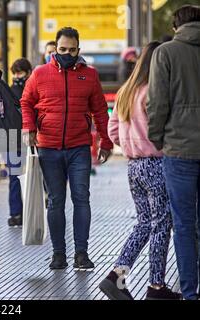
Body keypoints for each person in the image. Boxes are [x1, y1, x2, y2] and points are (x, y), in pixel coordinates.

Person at [21, 27, 113, 270]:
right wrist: (29, 127)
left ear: (78, 50)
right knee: (56, 201)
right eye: (62, 49)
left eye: (72, 50)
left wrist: (106, 140)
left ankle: (81, 253)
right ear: (55, 49)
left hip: (79, 147)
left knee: (82, 198)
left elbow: (101, 110)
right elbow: (26, 102)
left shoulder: (90, 75)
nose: (67, 53)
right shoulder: (40, 74)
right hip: (48, 148)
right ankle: (58, 254)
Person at [99, 42, 182, 300]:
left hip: (134, 165)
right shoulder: (153, 92)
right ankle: (156, 286)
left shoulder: (126, 90)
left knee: (145, 223)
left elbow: (113, 131)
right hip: (155, 164)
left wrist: (132, 143)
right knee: (161, 225)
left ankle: (116, 276)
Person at [147, 5, 200, 300]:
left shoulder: (165, 53)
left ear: (176, 25)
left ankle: (190, 293)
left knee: (183, 225)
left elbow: (157, 103)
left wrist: (157, 138)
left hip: (178, 149)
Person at [6, 58, 32, 227]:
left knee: (32, 176)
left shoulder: (33, 89)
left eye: (20, 72)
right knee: (15, 177)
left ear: (29, 72)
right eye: (15, 73)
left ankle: (30, 210)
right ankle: (16, 213)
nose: (17, 76)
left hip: (29, 139)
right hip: (13, 140)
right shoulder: (8, 92)